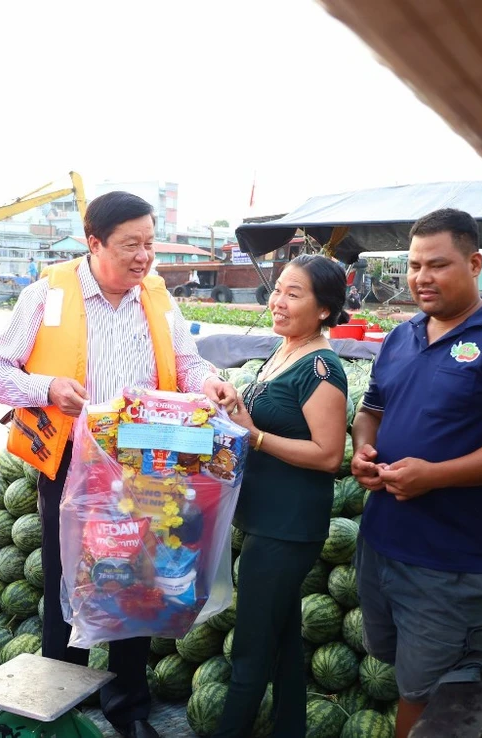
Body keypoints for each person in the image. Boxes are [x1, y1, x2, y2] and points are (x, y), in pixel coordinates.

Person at [0, 191, 238, 738]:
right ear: (94, 244)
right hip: (73, 465)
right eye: (130, 245)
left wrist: (209, 381)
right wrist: (47, 387)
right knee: (70, 583)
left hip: (149, 462)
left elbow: (185, 362)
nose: (144, 257)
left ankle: (128, 707)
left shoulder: (157, 297)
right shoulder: (48, 295)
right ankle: (61, 709)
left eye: (149, 244)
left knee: (137, 581)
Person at [350, 208, 482, 738]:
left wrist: (435, 475)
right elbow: (370, 411)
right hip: (381, 544)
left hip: (450, 561)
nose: (421, 277)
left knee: (428, 696)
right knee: (400, 668)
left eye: (437, 265)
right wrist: (362, 449)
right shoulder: (400, 337)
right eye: (414, 265)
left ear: (474, 264)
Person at [215, 255, 350, 738]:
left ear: (324, 309)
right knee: (283, 640)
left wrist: (254, 436)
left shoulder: (322, 368)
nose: (278, 301)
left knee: (250, 650)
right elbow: (262, 422)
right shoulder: (284, 352)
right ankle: (290, 728)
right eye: (278, 290)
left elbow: (329, 455)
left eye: (294, 294)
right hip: (265, 521)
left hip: (287, 528)